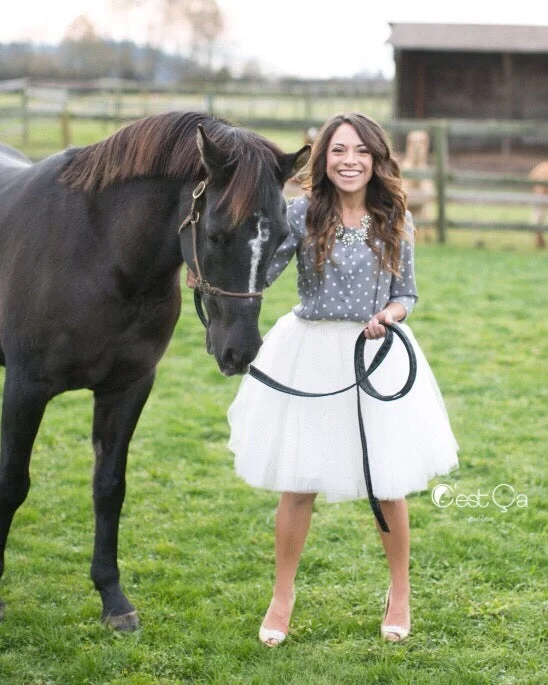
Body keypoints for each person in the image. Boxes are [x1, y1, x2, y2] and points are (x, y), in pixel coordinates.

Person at [226, 113, 459, 646]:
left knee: (387, 484)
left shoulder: (393, 214)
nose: (348, 160)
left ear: (376, 159)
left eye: (359, 151)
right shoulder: (301, 213)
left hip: (374, 353)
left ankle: (399, 592)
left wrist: (390, 316)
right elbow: (263, 272)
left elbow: (407, 293)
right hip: (309, 351)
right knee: (298, 484)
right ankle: (282, 595)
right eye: (337, 151)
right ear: (322, 159)